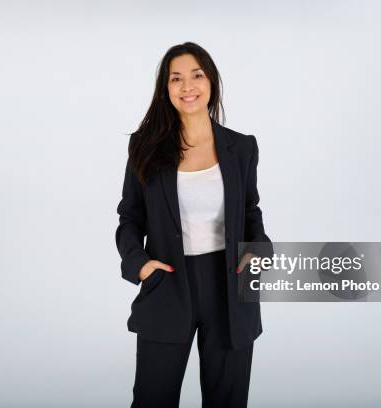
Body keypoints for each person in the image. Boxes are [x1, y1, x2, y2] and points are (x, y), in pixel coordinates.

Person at [115, 42, 273, 408]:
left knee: (227, 400)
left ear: (211, 81)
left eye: (196, 75)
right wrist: (140, 265)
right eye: (176, 78)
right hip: (168, 282)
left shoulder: (241, 147)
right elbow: (129, 217)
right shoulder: (146, 148)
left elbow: (251, 211)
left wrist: (257, 252)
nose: (188, 86)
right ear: (165, 89)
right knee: (153, 398)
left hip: (230, 283)